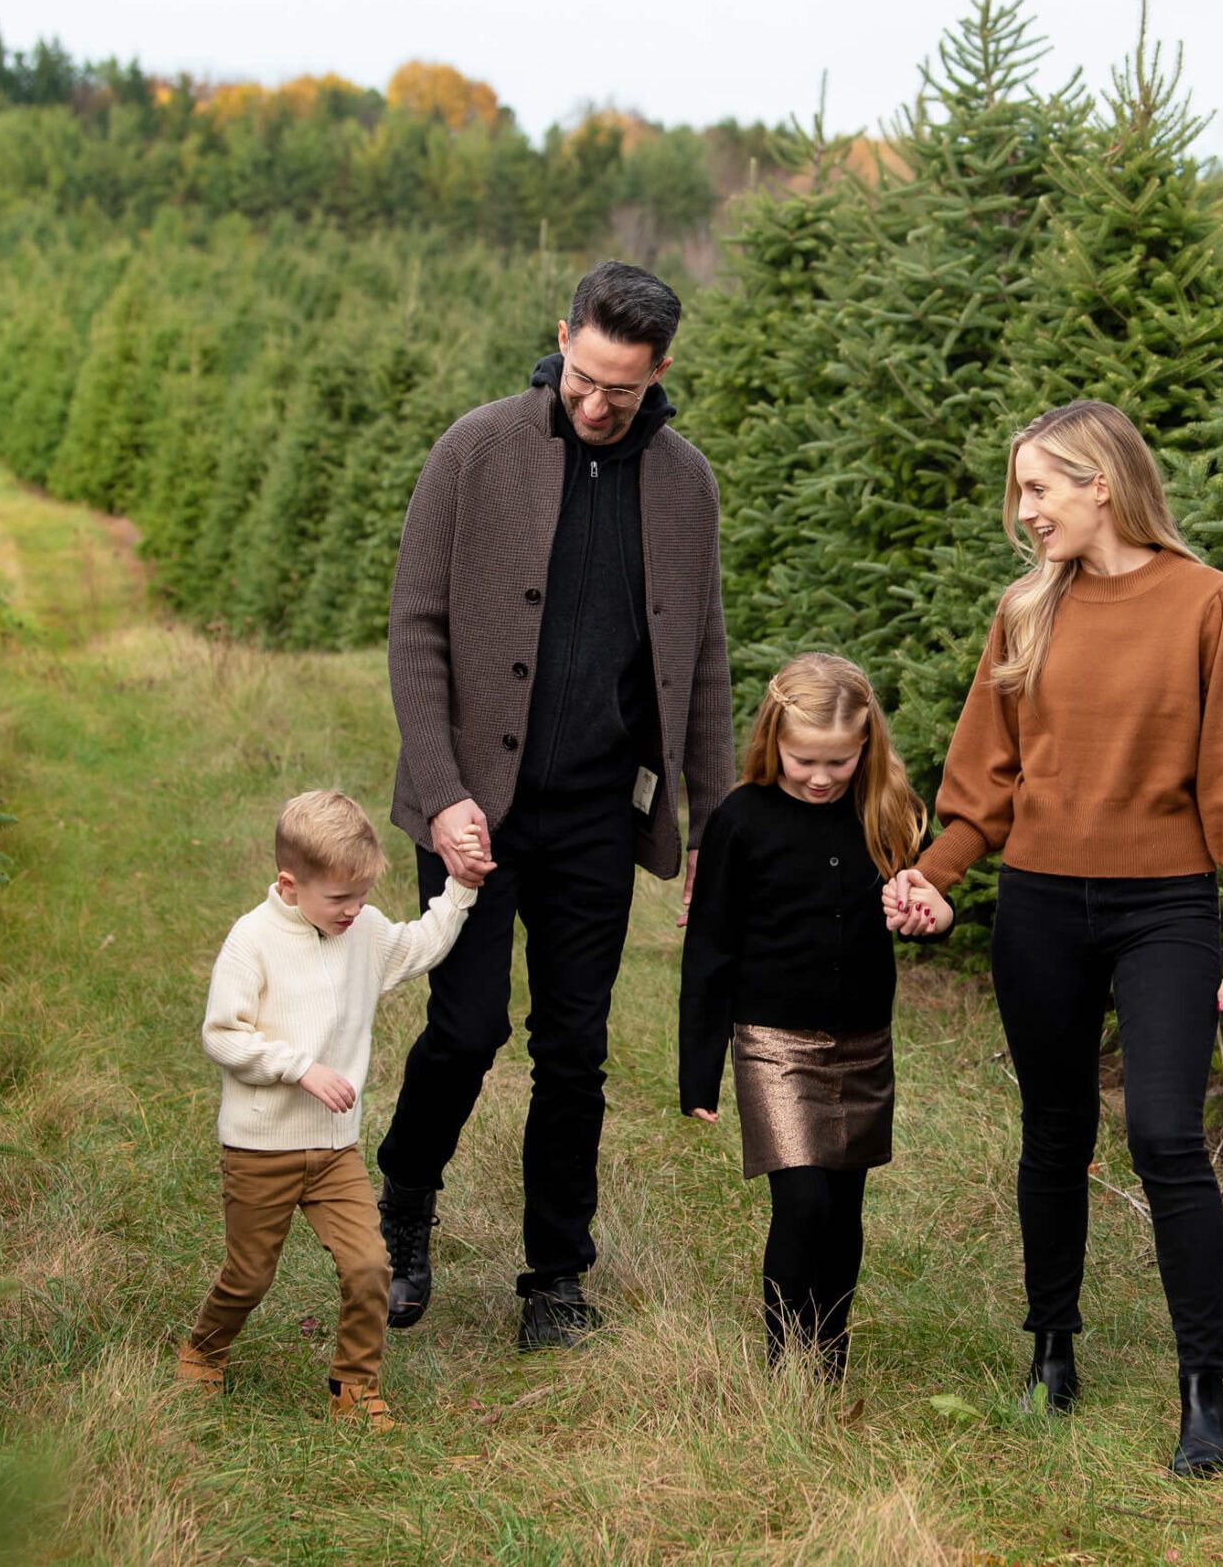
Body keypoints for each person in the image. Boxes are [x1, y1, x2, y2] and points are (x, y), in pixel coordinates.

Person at [884, 401, 1223, 1478]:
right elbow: (985, 777)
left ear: (1100, 483)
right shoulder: (1025, 610)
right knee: (1055, 1129)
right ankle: (1051, 1348)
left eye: (1039, 489)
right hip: (1041, 904)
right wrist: (935, 873)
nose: (1024, 512)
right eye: (1021, 491)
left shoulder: (1210, 603)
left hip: (1165, 907)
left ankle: (1205, 1388)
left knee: (1162, 1132)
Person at [380, 260, 734, 1350]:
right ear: (563, 337)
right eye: (583, 377)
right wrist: (442, 797)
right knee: (468, 1023)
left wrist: (715, 839)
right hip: (473, 810)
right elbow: (417, 631)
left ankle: (555, 1275)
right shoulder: (475, 449)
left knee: (575, 1046)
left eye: (620, 390)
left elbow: (703, 664)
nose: (595, 403)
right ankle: (402, 1203)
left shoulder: (684, 484)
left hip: (593, 813)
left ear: (659, 372)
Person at [677, 654, 951, 1379]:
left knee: (844, 1206)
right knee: (800, 1199)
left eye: (839, 759)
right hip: (774, 1040)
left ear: (866, 745)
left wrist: (924, 916)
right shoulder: (741, 818)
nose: (821, 776)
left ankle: (830, 1354)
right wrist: (699, 1070)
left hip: (863, 1039)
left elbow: (922, 901)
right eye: (805, 759)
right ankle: (784, 1358)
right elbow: (709, 948)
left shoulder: (885, 810)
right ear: (774, 741)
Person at [178, 790, 480, 1428]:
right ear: (289, 885)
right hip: (261, 1148)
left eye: (362, 895)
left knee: (370, 1265)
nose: (354, 911)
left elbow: (417, 946)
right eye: (339, 899)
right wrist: (299, 1067)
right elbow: (221, 1036)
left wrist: (458, 891)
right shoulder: (252, 941)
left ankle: (354, 1385)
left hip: (335, 1150)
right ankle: (205, 1349)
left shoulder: (362, 931)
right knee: (250, 1273)